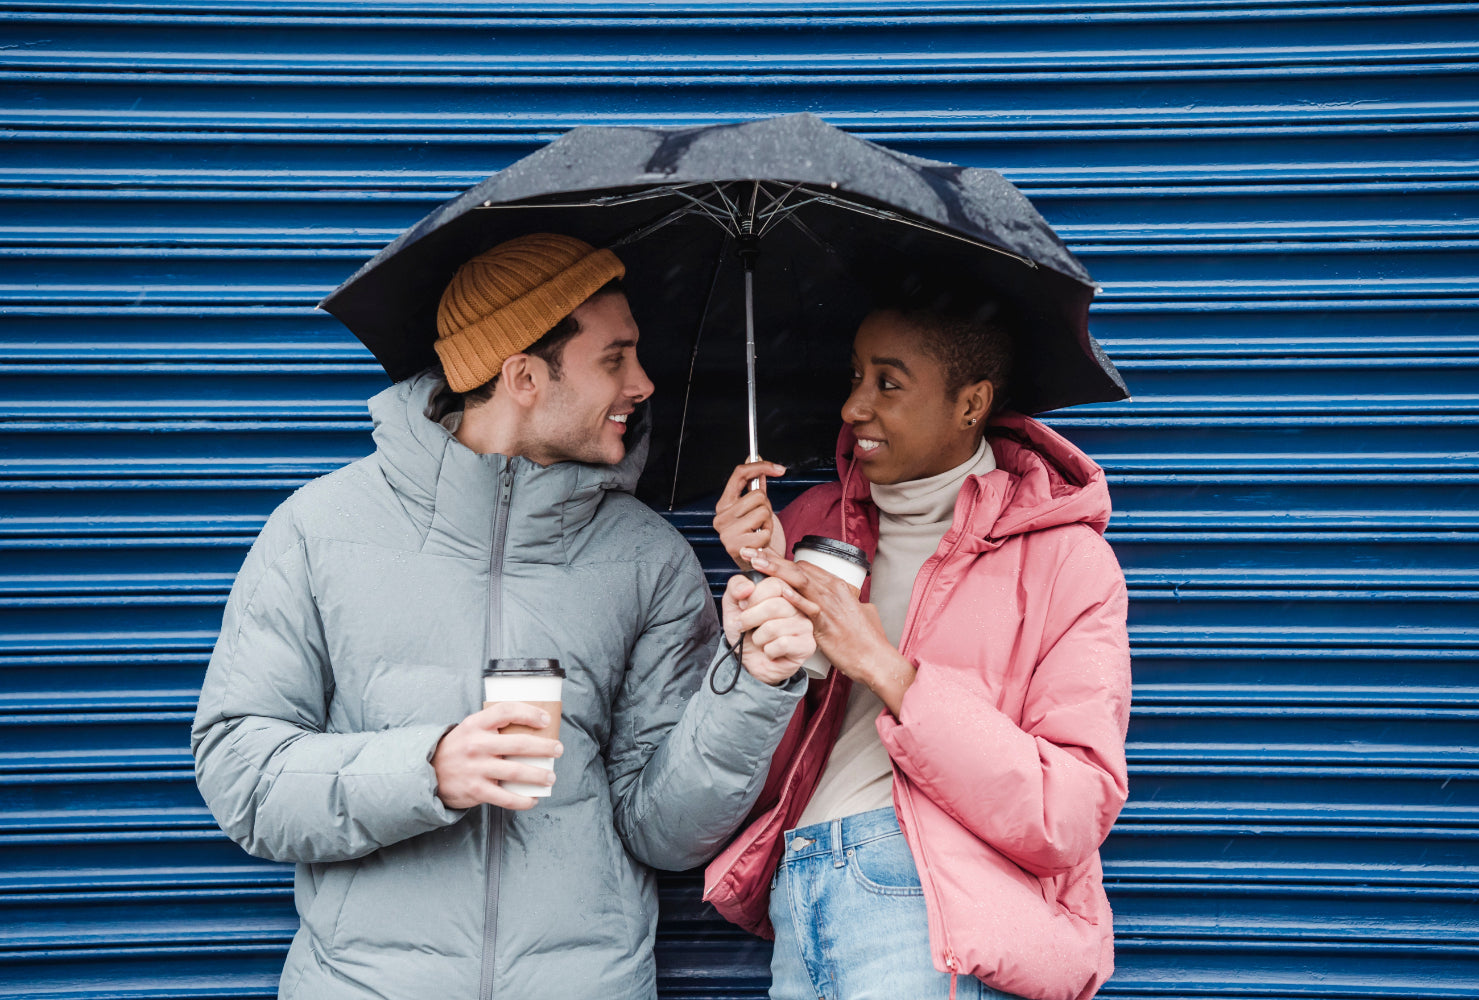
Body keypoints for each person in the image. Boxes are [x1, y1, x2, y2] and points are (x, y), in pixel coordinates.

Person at [191, 233, 816, 1000]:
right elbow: (243, 776)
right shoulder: (319, 530)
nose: (645, 383)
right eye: (614, 358)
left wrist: (750, 683)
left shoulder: (649, 561)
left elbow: (664, 832)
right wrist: (428, 770)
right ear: (523, 375)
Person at [702, 283, 1131, 1000]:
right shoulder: (811, 524)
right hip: (798, 884)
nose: (852, 408)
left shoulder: (1064, 561)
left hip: (926, 908)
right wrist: (762, 628)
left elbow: (1071, 810)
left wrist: (886, 668)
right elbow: (758, 777)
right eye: (854, 376)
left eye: (888, 383)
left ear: (971, 404)